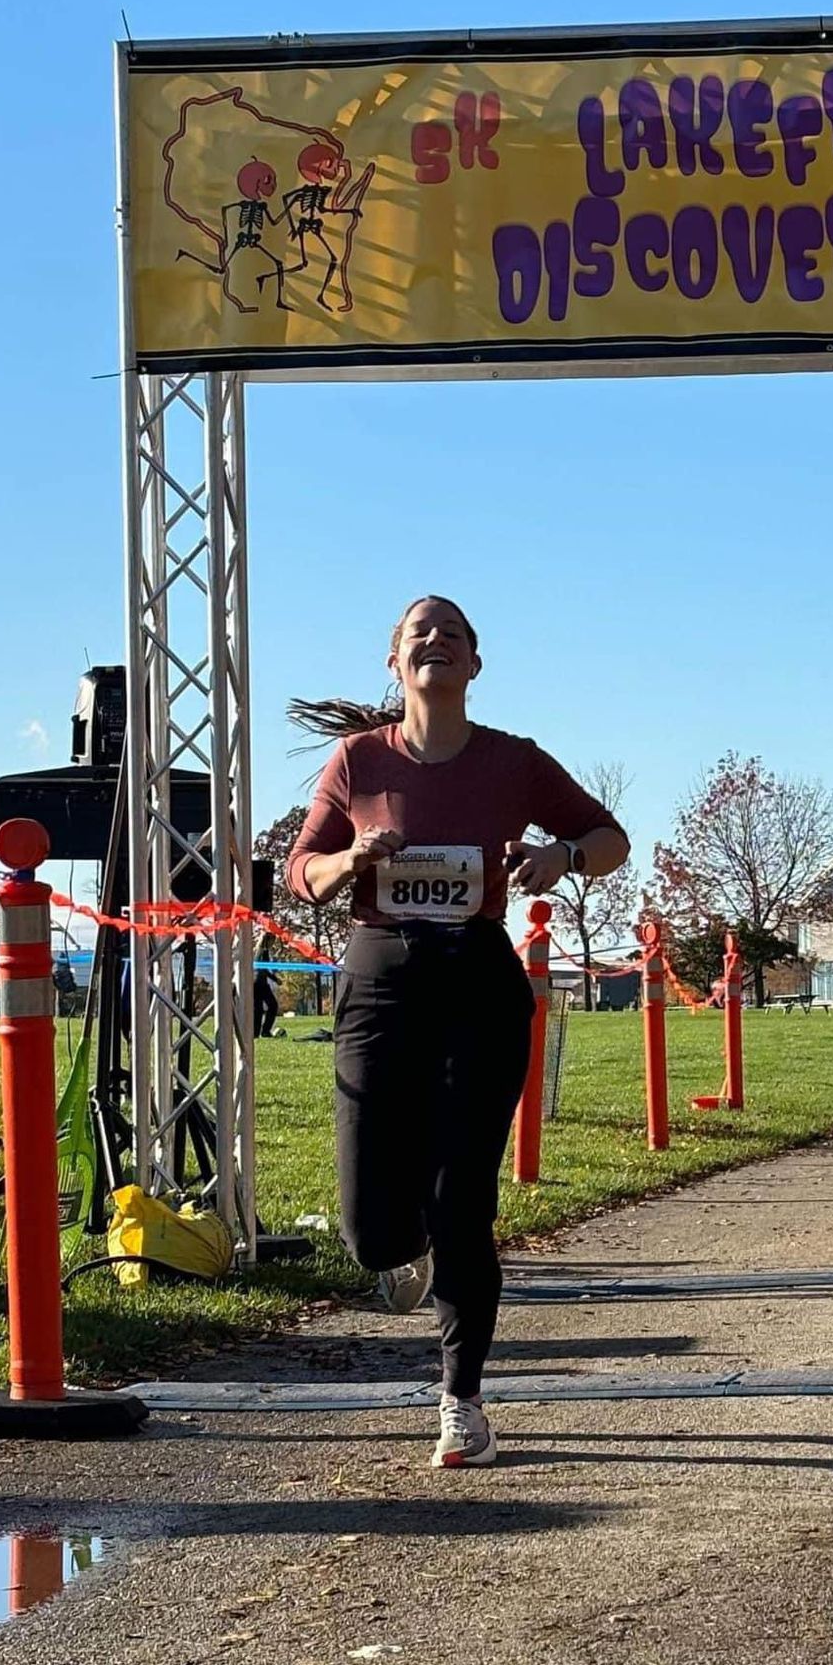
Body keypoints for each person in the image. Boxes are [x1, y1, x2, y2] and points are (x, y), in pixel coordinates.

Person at [285, 595, 630, 1469]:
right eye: (418, 634)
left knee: (462, 1197)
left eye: (452, 634)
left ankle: (460, 1397)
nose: (435, 641)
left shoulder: (513, 761)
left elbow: (609, 835)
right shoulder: (359, 759)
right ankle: (407, 1249)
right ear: (395, 664)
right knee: (372, 1230)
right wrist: (350, 860)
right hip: (381, 981)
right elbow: (300, 872)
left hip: (478, 982)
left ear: (475, 664)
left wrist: (563, 857)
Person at [253, 943, 281, 1039]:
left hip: (262, 984)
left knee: (266, 1007)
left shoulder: (263, 951)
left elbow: (263, 969)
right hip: (257, 984)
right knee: (260, 1009)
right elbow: (262, 969)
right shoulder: (260, 952)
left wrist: (275, 979)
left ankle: (262, 1031)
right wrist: (275, 979)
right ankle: (259, 1032)